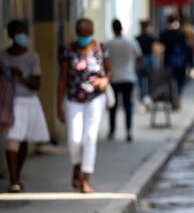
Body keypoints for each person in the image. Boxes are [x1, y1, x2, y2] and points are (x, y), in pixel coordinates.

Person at [57, 18, 111, 193]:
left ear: (91, 33)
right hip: (74, 99)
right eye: (81, 35)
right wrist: (58, 105)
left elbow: (108, 69)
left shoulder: (100, 48)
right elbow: (63, 78)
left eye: (86, 35)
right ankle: (76, 165)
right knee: (74, 138)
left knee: (90, 137)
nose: (84, 39)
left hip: (95, 99)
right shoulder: (69, 50)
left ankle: (86, 178)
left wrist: (105, 80)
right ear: (77, 34)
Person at [0, 20, 50, 193]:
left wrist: (21, 74)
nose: (22, 35)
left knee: (23, 142)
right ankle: (13, 180)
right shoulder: (2, 56)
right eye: (18, 32)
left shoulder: (31, 56)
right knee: (13, 140)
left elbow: (37, 84)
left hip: (29, 102)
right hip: (10, 102)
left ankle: (17, 176)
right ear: (10, 35)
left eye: (23, 32)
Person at [106, 19, 142, 142]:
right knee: (128, 105)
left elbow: (104, 61)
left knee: (113, 106)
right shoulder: (130, 42)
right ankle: (129, 131)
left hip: (114, 78)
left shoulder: (108, 44)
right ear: (122, 28)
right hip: (128, 77)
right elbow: (139, 57)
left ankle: (112, 131)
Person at [159, 15, 188, 108]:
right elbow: (186, 48)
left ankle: (172, 99)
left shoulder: (164, 33)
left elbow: (160, 47)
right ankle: (178, 97)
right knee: (180, 81)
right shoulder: (181, 33)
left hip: (168, 61)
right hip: (180, 61)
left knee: (169, 82)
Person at [136, 20, 155, 106]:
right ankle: (148, 97)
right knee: (149, 79)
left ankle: (142, 97)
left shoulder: (137, 38)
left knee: (141, 81)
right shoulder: (150, 38)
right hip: (148, 58)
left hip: (140, 59)